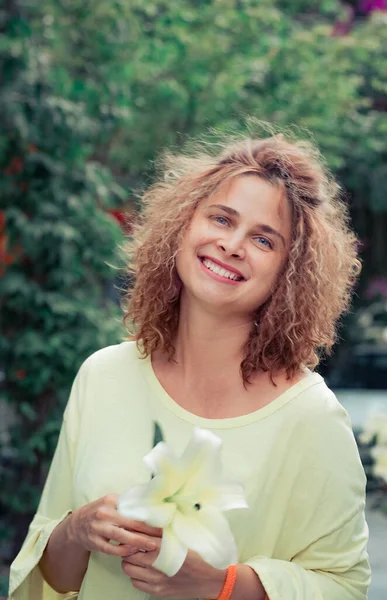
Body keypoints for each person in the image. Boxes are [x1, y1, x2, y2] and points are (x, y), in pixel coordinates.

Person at [9, 132, 371, 600]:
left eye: (264, 239)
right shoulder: (102, 376)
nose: (232, 244)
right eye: (221, 218)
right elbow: (54, 580)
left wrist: (223, 587)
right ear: (182, 224)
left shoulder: (311, 417)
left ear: (290, 273)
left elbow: (344, 585)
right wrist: (77, 530)